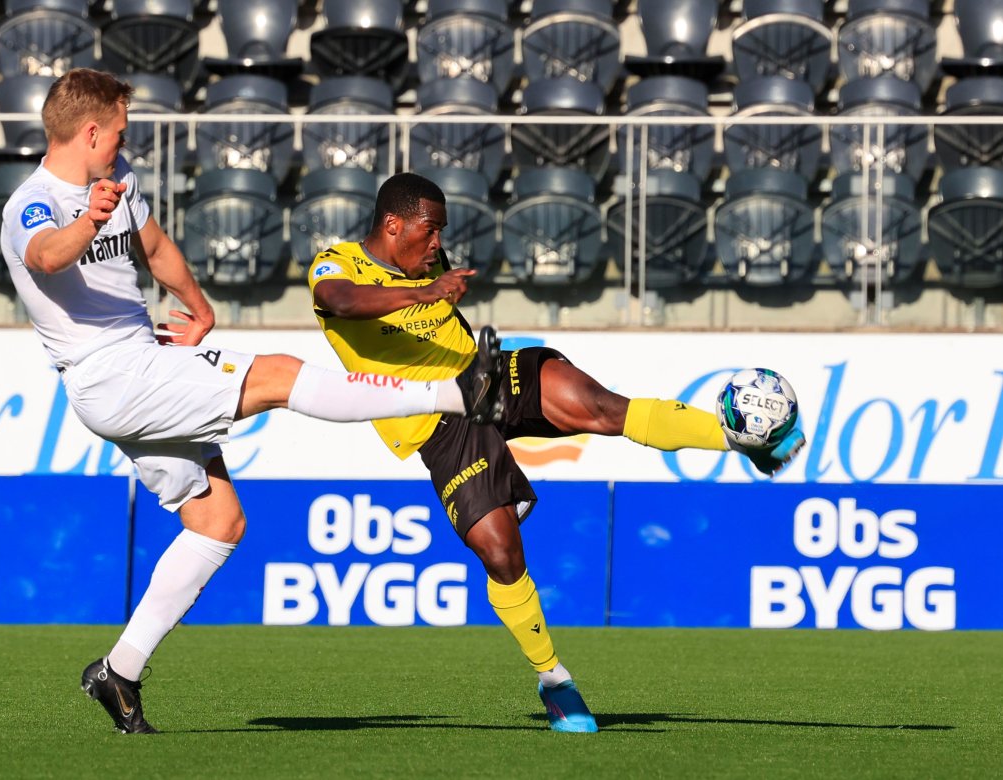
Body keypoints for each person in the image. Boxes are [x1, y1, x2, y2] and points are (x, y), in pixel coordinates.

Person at [0, 70, 504, 734]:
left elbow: (153, 247)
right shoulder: (33, 204)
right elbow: (46, 257)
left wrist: (200, 308)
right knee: (275, 376)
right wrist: (87, 221)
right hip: (113, 375)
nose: (125, 142)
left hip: (145, 364)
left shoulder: (117, 189)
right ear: (90, 131)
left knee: (219, 524)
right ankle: (457, 391)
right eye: (119, 131)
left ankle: (118, 672)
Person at [307, 172, 806, 733]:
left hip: (484, 378)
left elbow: (449, 320)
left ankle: (743, 439)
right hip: (438, 424)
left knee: (600, 407)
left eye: (442, 233)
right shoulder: (336, 263)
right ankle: (555, 682)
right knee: (500, 555)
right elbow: (341, 302)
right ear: (392, 224)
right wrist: (425, 292)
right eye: (430, 231)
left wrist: (442, 303)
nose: (438, 245)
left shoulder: (432, 265)